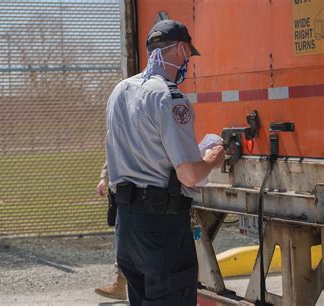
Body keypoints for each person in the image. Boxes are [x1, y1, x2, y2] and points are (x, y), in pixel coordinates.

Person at [105, 20, 225, 305]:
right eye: (187, 54)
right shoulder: (169, 97)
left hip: (127, 227)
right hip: (161, 230)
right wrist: (210, 159)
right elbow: (188, 175)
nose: (187, 62)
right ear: (181, 49)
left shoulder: (120, 90)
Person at [94, 162, 127, 301]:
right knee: (124, 240)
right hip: (125, 192)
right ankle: (121, 284)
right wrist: (104, 177)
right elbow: (114, 152)